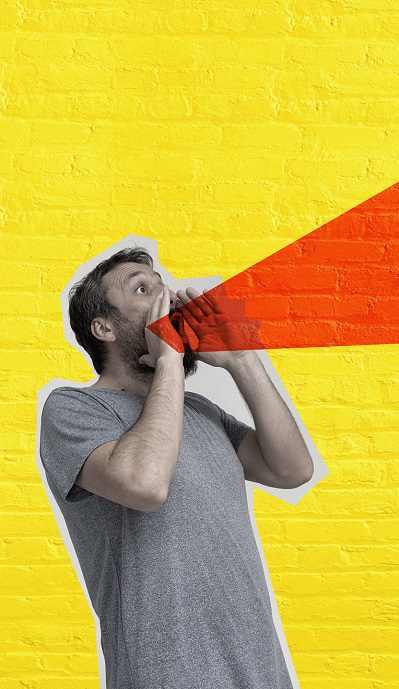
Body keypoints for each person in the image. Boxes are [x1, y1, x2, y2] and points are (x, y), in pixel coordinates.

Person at [38, 247, 314, 689]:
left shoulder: (201, 412)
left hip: (261, 673)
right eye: (142, 289)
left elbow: (293, 469)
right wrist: (168, 357)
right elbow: (146, 484)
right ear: (103, 327)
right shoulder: (74, 409)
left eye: (162, 283)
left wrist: (242, 359)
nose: (166, 295)